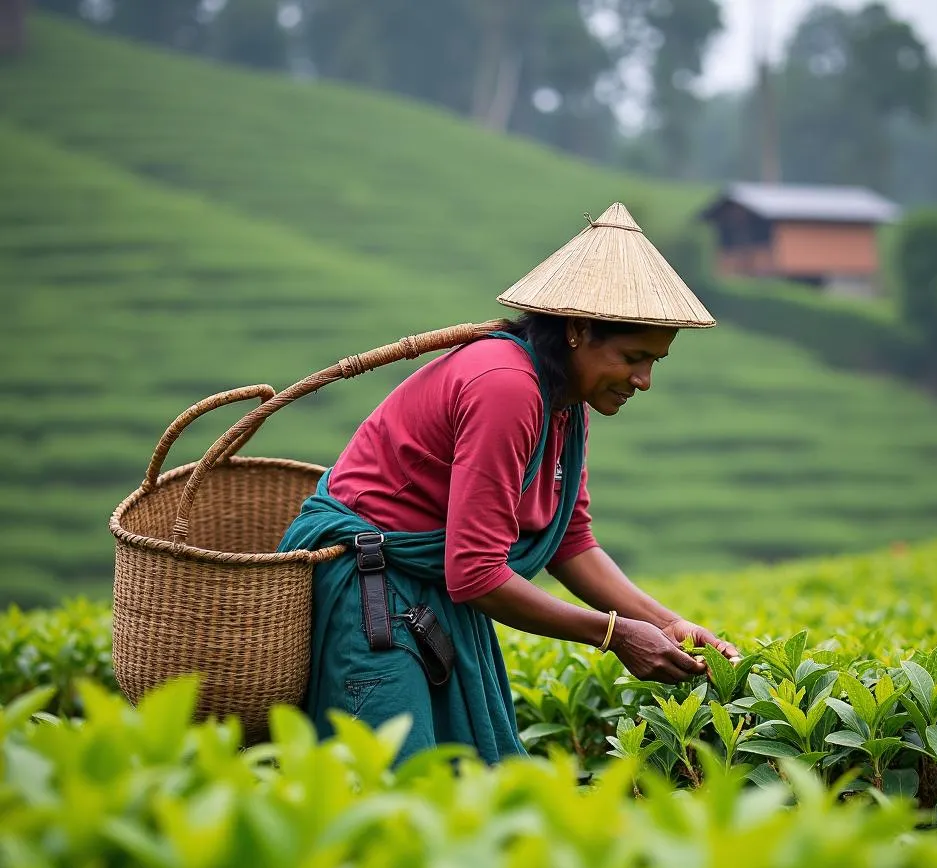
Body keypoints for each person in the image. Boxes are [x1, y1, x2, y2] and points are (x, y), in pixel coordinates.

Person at [278, 202, 740, 764]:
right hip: (373, 594)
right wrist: (616, 634)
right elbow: (475, 574)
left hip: (423, 599)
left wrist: (667, 625)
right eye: (632, 357)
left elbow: (570, 540)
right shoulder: (506, 388)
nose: (643, 380)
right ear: (577, 331)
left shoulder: (565, 403)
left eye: (656, 362)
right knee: (393, 780)